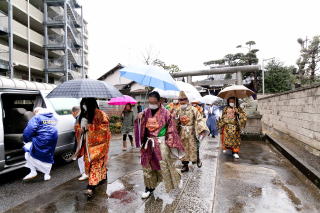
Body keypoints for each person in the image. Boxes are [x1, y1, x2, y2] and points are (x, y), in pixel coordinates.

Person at [135, 91, 184, 199]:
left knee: (165, 166)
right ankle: (149, 188)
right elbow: (140, 127)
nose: (151, 104)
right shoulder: (145, 112)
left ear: (159, 101)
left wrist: (171, 144)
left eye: (154, 102)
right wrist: (139, 119)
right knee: (147, 167)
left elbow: (171, 130)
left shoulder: (166, 113)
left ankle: (178, 176)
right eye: (150, 102)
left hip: (161, 143)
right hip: (148, 144)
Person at [73, 98, 111, 197]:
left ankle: (91, 186)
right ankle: (102, 178)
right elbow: (77, 127)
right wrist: (79, 130)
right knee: (92, 163)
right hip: (86, 143)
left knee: (95, 162)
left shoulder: (101, 114)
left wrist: (89, 127)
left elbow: (104, 128)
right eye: (83, 104)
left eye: (85, 104)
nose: (84, 106)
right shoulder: (83, 114)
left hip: (98, 145)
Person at [175, 92, 209, 172]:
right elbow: (175, 122)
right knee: (183, 149)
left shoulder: (194, 110)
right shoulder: (178, 110)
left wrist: (202, 129)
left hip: (192, 132)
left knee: (194, 147)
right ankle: (185, 165)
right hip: (182, 133)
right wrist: (175, 123)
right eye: (180, 100)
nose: (182, 102)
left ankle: (197, 159)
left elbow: (199, 119)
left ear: (187, 100)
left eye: (184, 100)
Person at [22, 107, 58, 181]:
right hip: (53, 139)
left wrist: (26, 140)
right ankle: (47, 174)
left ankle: (33, 171)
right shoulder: (53, 117)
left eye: (34, 112)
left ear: (36, 112)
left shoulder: (37, 117)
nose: (34, 114)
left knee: (27, 150)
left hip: (41, 140)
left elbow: (29, 130)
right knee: (49, 155)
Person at [72, 106, 88, 181]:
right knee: (84, 157)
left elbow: (81, 130)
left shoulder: (79, 118)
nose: (72, 114)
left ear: (75, 112)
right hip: (85, 139)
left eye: (72, 113)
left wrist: (77, 130)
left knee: (80, 157)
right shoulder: (83, 116)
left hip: (82, 140)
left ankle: (84, 173)